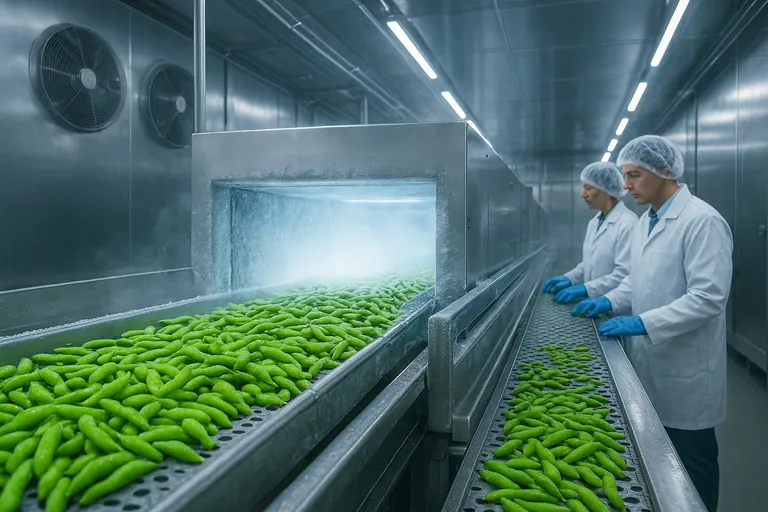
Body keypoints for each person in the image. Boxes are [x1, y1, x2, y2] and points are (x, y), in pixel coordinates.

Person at [572, 135, 732, 512]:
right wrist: (606, 300)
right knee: (659, 464)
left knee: (693, 465)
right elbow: (634, 280)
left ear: (664, 171)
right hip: (648, 362)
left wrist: (641, 323)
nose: (625, 185)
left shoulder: (702, 221)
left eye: (634, 175)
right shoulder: (647, 222)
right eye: (625, 175)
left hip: (686, 373)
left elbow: (708, 298)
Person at [541, 162, 638, 303]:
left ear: (605, 190)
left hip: (617, 310)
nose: (582, 194)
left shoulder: (628, 224)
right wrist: (570, 278)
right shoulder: (594, 222)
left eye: (588, 188)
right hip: (592, 306)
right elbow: (589, 264)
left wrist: (586, 289)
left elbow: (625, 275)